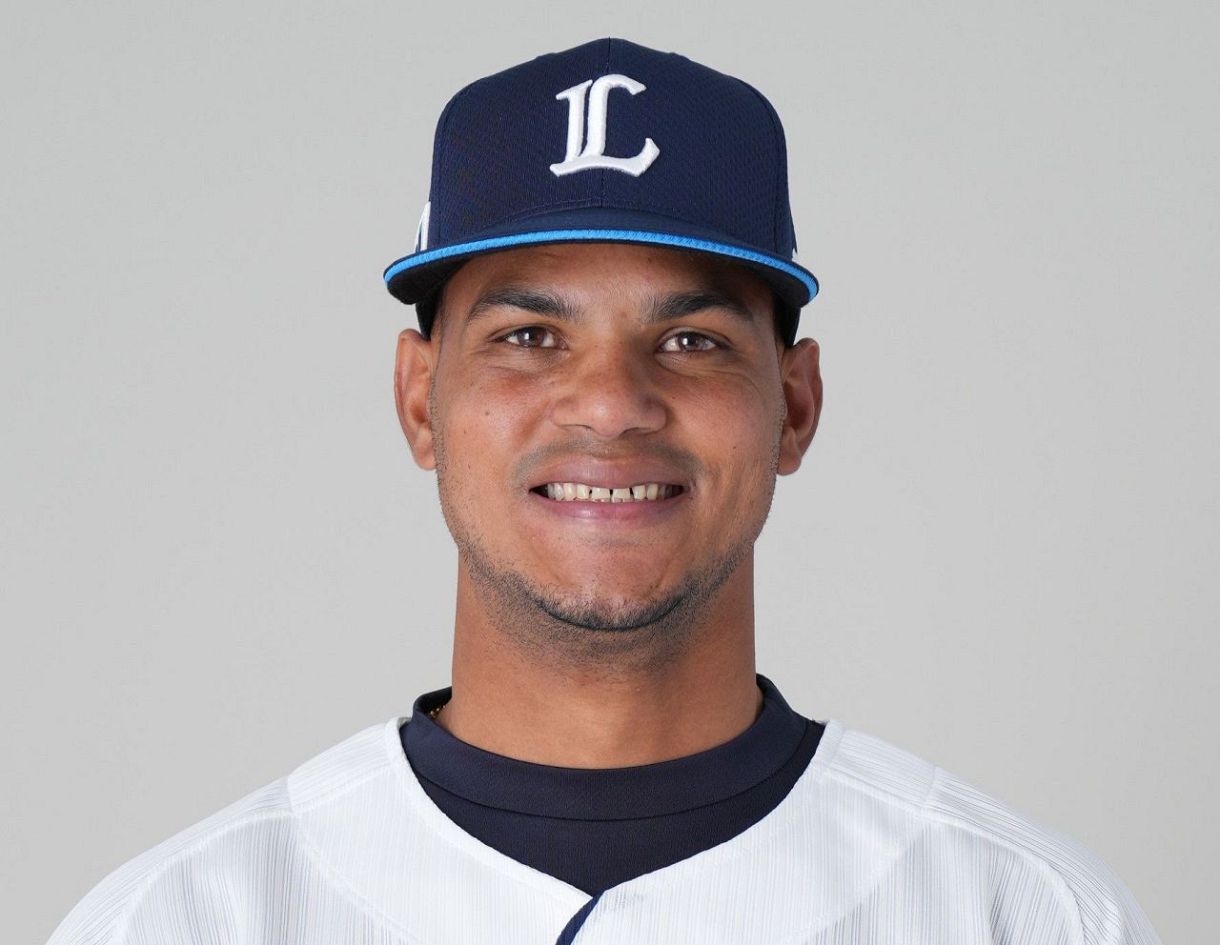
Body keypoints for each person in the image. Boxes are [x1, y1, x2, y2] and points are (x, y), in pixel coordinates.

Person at [47, 37, 1162, 945]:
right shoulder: (182, 921)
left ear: (794, 406)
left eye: (690, 339)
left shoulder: (1024, 917)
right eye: (529, 336)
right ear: (420, 401)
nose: (612, 404)